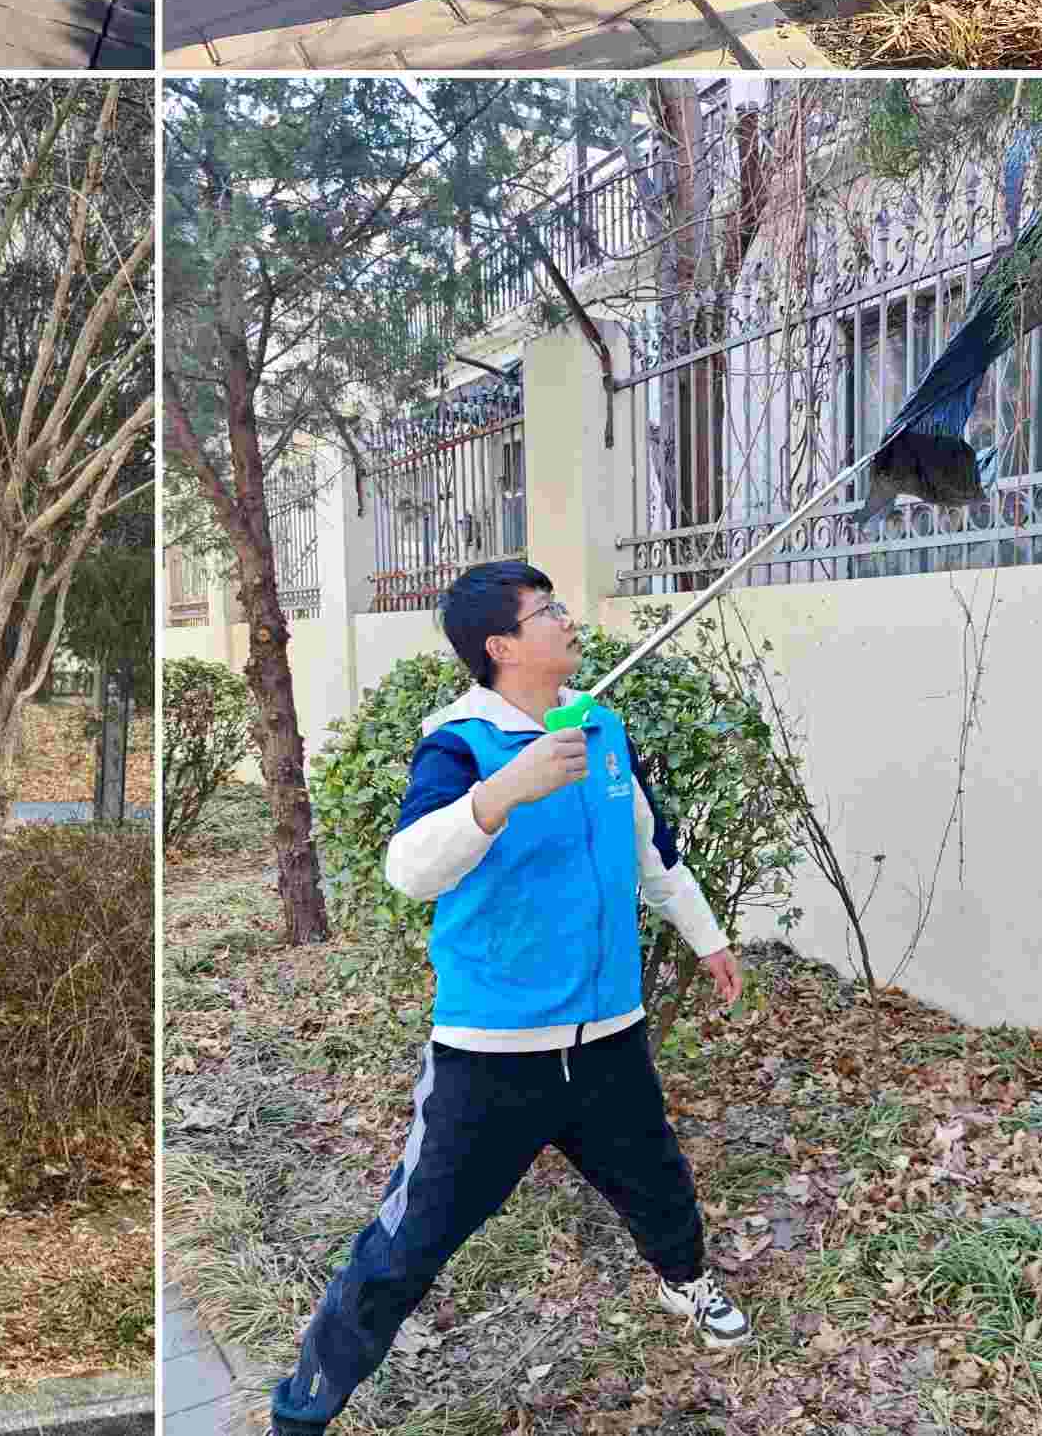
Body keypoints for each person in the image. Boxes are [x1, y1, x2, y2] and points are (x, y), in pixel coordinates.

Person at [266, 561, 752, 1430]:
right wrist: (504, 793)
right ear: (500, 646)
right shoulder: (459, 744)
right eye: (549, 611)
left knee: (660, 1184)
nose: (569, 620)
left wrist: (706, 937)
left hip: (608, 1039)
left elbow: (652, 849)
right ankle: (305, 1406)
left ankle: (688, 1284)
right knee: (406, 1244)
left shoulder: (602, 725)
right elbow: (408, 870)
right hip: (491, 1059)